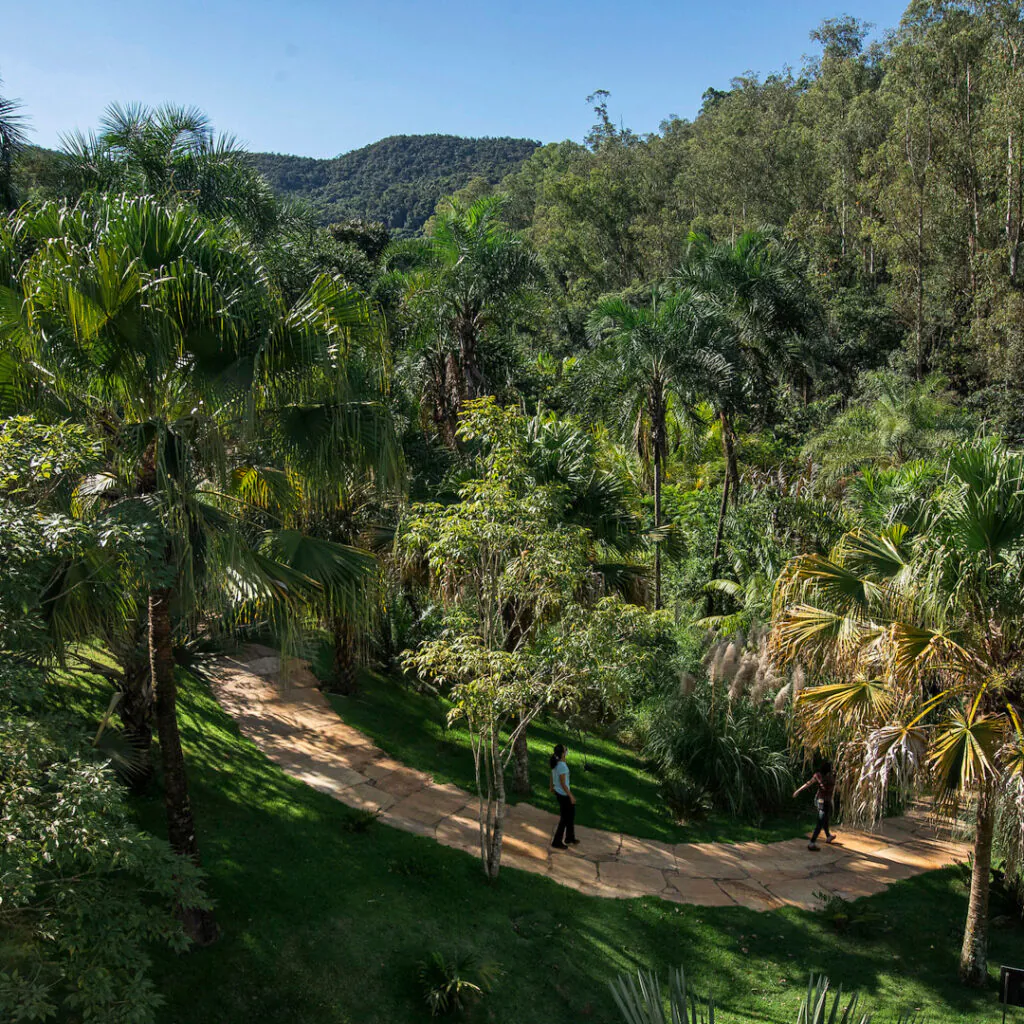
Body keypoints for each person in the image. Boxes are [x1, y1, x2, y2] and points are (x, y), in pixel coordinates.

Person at [793, 761, 837, 851]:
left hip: (826, 800)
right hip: (821, 801)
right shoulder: (821, 775)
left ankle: (828, 836)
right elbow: (808, 783)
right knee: (821, 821)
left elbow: (808, 784)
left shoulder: (830, 775)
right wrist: (798, 791)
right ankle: (812, 843)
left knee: (825, 818)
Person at [549, 743, 578, 850]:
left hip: (559, 792)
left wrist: (551, 787)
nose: (567, 751)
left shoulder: (556, 762)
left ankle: (570, 837)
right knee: (565, 818)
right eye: (566, 750)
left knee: (571, 815)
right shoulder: (562, 766)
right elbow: (563, 783)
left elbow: (551, 775)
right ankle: (557, 841)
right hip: (564, 794)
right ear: (562, 753)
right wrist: (571, 796)